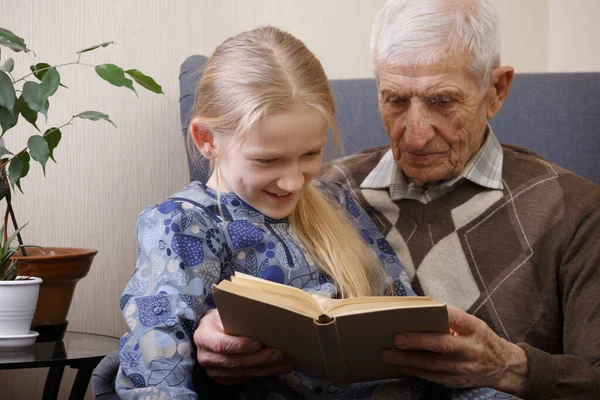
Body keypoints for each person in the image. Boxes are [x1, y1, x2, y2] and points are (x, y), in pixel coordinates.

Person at [115, 26, 424, 399]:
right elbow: (155, 367)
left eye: (311, 154)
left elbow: (403, 308)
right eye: (268, 160)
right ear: (207, 139)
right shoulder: (182, 225)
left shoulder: (335, 202)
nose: (294, 182)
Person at [318, 0, 600, 399]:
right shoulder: (319, 192)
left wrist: (509, 367)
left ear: (496, 90)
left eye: (442, 101)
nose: (414, 135)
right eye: (395, 99)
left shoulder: (579, 212)